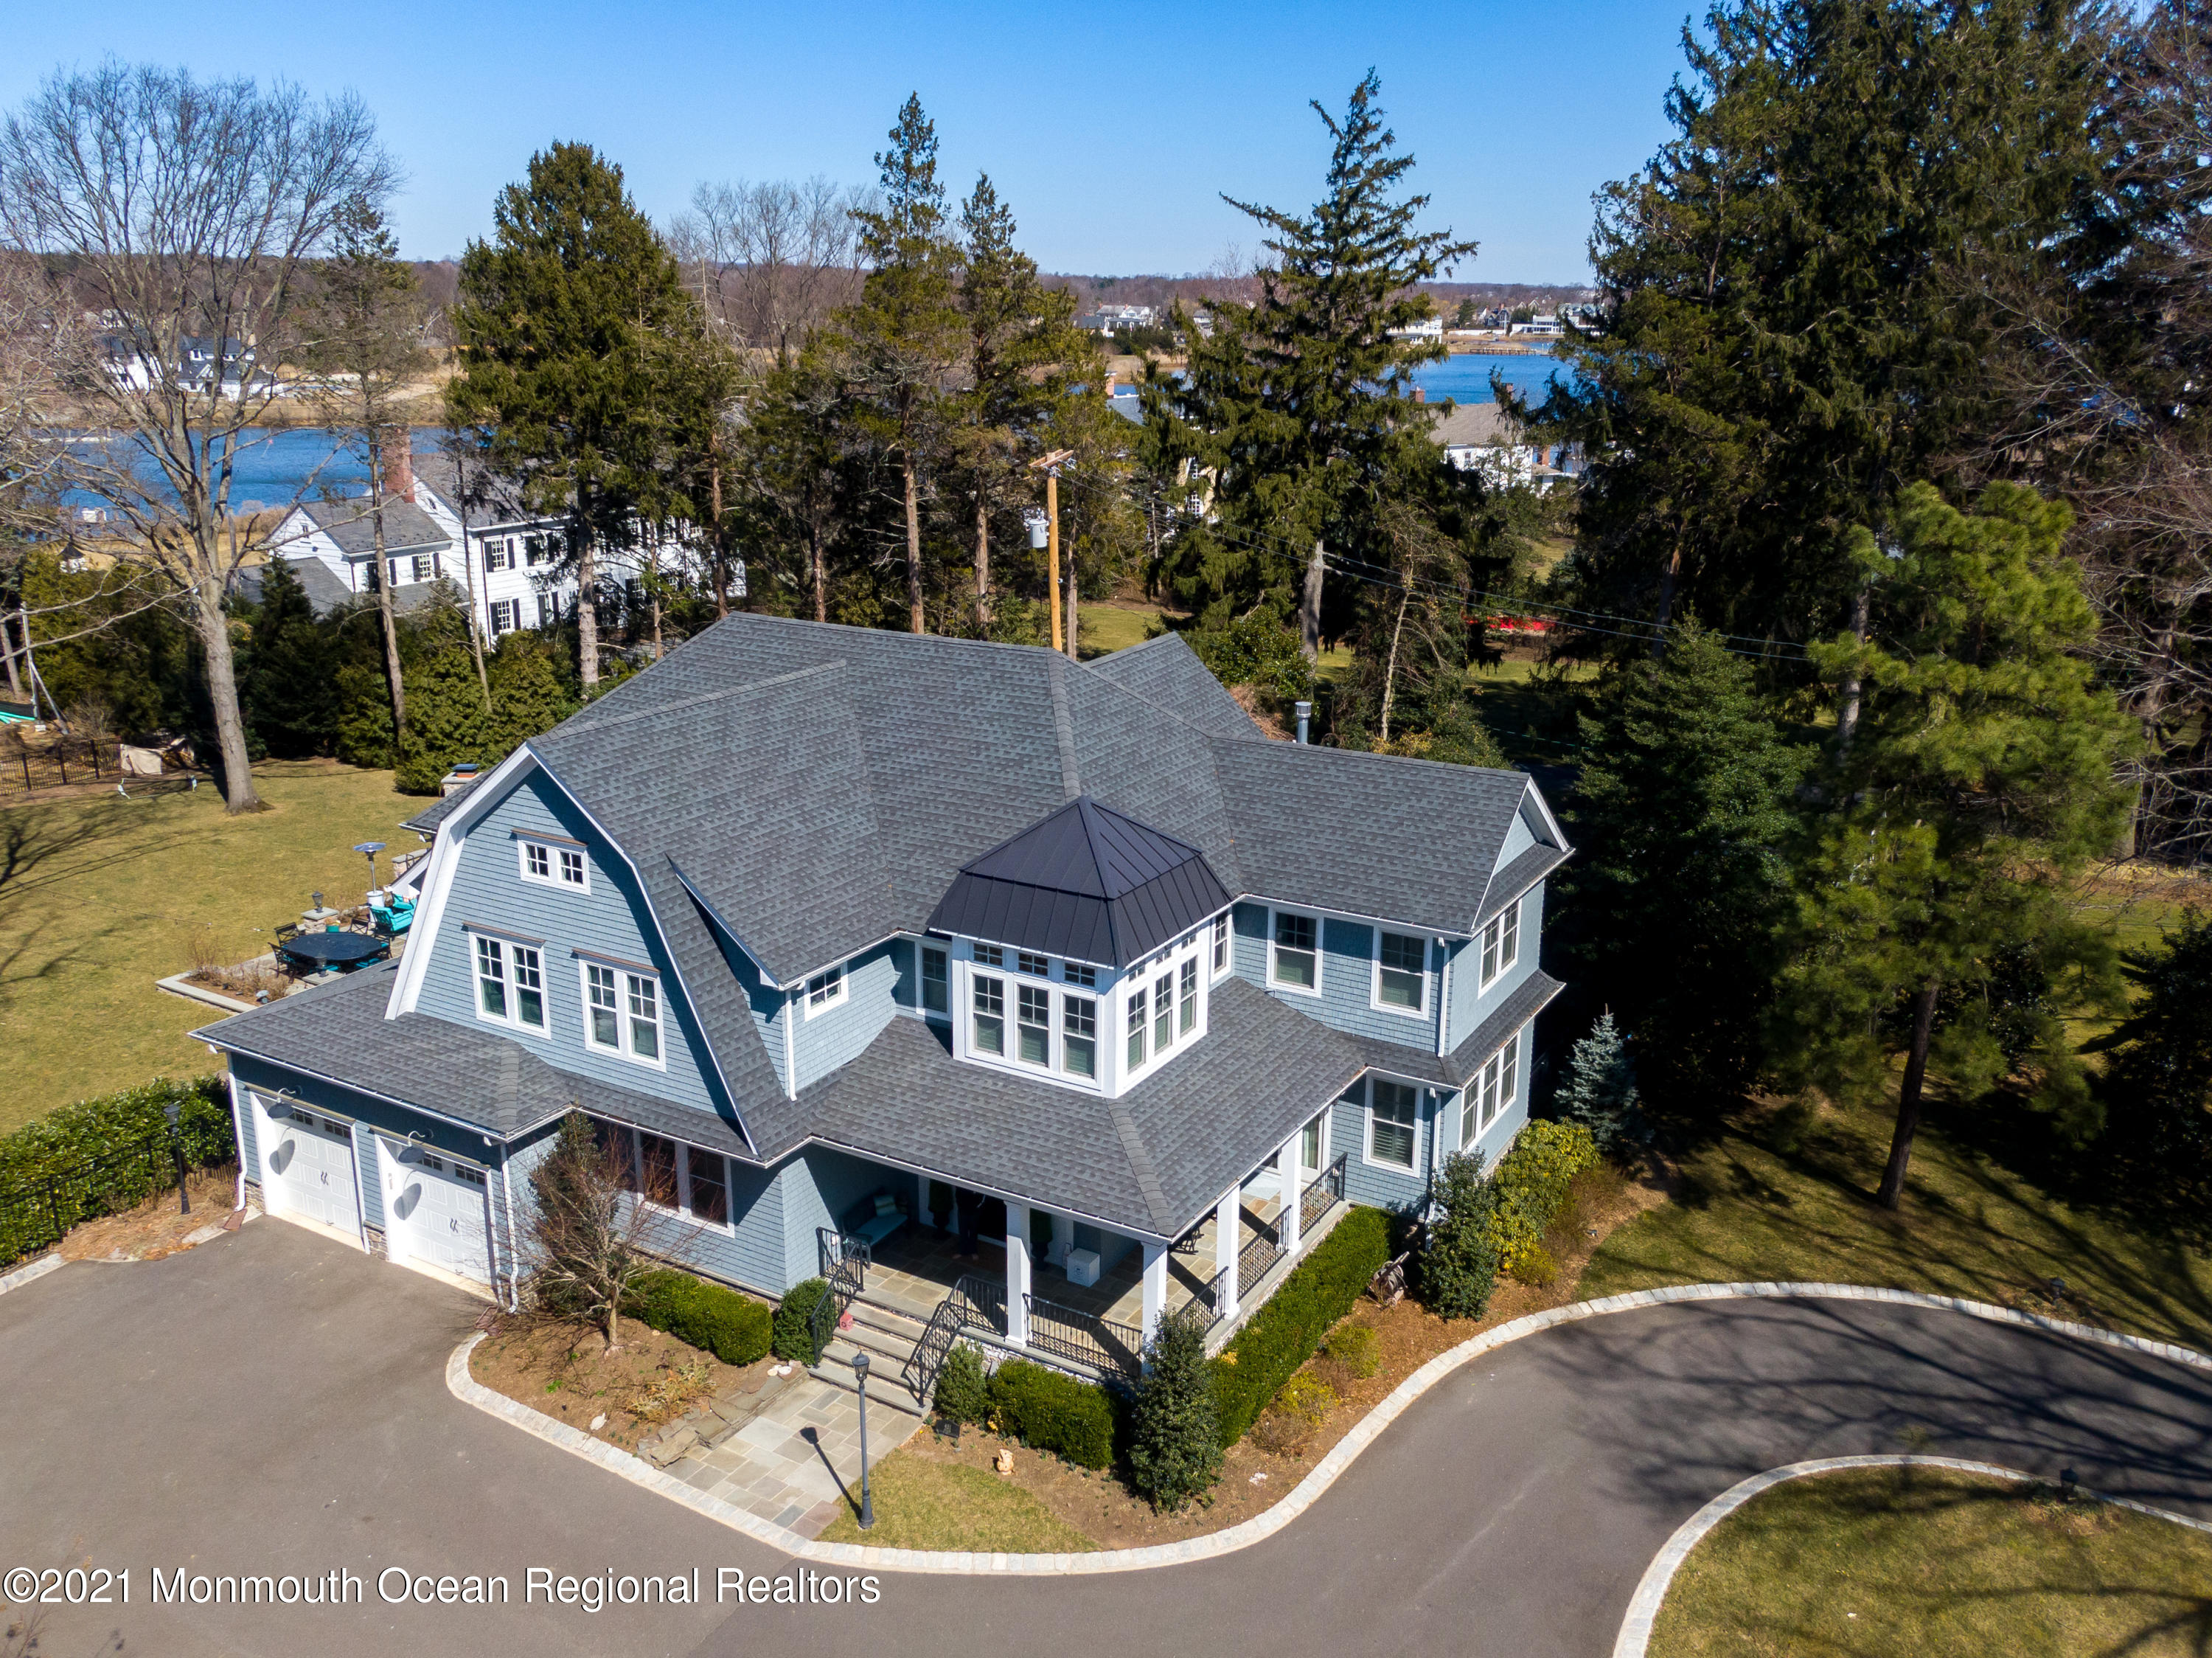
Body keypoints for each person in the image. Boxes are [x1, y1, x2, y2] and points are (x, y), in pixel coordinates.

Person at [953, 1187, 981, 1261]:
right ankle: (962, 1251)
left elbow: (981, 1196)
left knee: (973, 1232)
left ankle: (973, 1251)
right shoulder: (961, 1186)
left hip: (973, 1211)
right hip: (962, 1211)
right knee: (963, 1231)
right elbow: (958, 1194)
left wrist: (977, 1206)